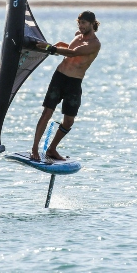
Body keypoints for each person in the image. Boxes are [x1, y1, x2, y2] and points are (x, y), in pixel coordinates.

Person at [31, 11, 102, 162]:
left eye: (84, 23)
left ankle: (52, 149)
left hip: (74, 83)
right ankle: (34, 149)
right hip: (59, 77)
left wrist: (51, 48)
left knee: (69, 121)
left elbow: (72, 53)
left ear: (91, 24)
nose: (81, 26)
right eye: (79, 23)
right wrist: (58, 45)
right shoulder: (78, 35)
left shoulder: (94, 44)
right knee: (47, 113)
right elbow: (69, 47)